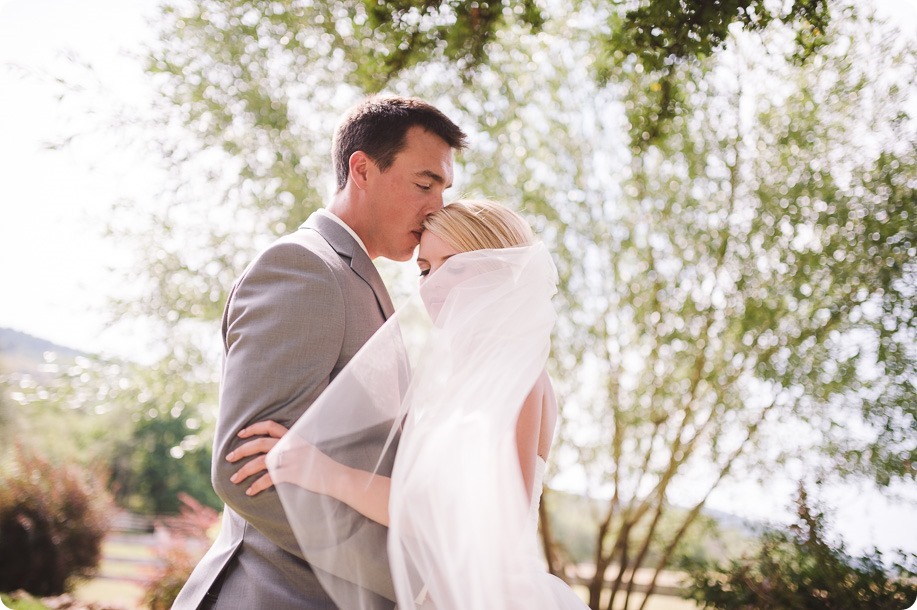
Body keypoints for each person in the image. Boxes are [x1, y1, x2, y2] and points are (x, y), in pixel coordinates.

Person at [172, 96, 467, 610]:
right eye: (424, 184)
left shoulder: (357, 280)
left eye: (444, 189)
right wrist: (406, 578)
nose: (436, 206)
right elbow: (246, 475)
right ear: (362, 169)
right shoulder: (304, 269)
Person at [230, 200, 589, 609]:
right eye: (424, 269)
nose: (432, 284)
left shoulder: (521, 374)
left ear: (501, 267)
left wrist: (325, 472)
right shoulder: (460, 375)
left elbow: (483, 520)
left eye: (453, 266)